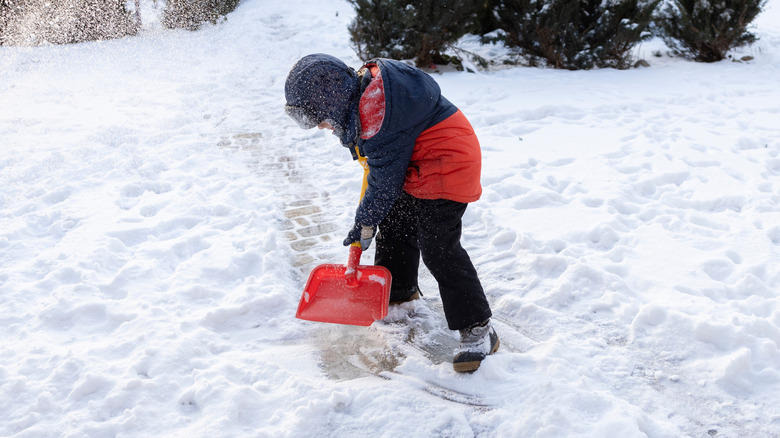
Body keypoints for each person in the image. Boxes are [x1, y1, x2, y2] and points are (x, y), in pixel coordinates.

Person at [284, 53, 498, 372]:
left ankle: (479, 329)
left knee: (438, 247)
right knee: (395, 220)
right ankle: (399, 296)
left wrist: (364, 222)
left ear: (332, 102)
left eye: (321, 119)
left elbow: (383, 182)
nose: (323, 128)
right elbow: (377, 171)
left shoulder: (377, 117)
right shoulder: (367, 100)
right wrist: (369, 218)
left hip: (447, 164)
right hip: (419, 164)